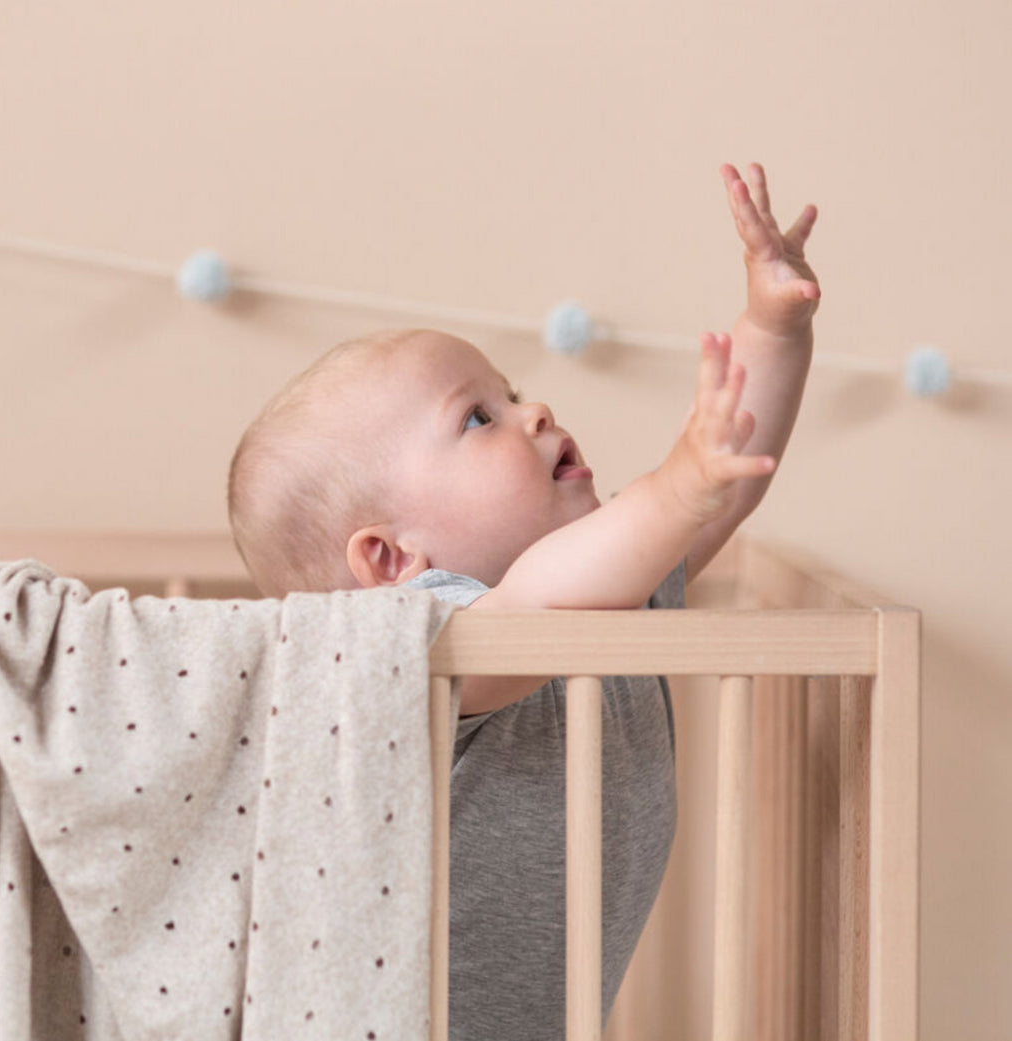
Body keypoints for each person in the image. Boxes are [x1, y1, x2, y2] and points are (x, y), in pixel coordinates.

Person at [226, 163, 819, 1039]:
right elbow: (535, 604)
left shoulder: (613, 593)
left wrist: (773, 326)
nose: (533, 409)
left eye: (510, 392)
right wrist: (676, 481)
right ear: (392, 559)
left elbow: (729, 483)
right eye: (478, 418)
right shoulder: (413, 647)